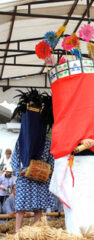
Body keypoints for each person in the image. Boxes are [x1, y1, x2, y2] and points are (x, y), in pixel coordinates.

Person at [49, 58, 94, 236]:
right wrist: (77, 142)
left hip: (92, 166)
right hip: (75, 165)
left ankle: (92, 236)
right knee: (77, 209)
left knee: (93, 206)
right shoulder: (66, 117)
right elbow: (62, 138)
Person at [11, 89, 55, 232]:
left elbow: (51, 160)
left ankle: (37, 231)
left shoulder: (47, 142)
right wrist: (19, 171)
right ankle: (18, 232)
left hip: (40, 177)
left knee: (38, 207)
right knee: (20, 208)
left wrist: (47, 171)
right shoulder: (21, 140)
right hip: (24, 175)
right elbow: (14, 159)